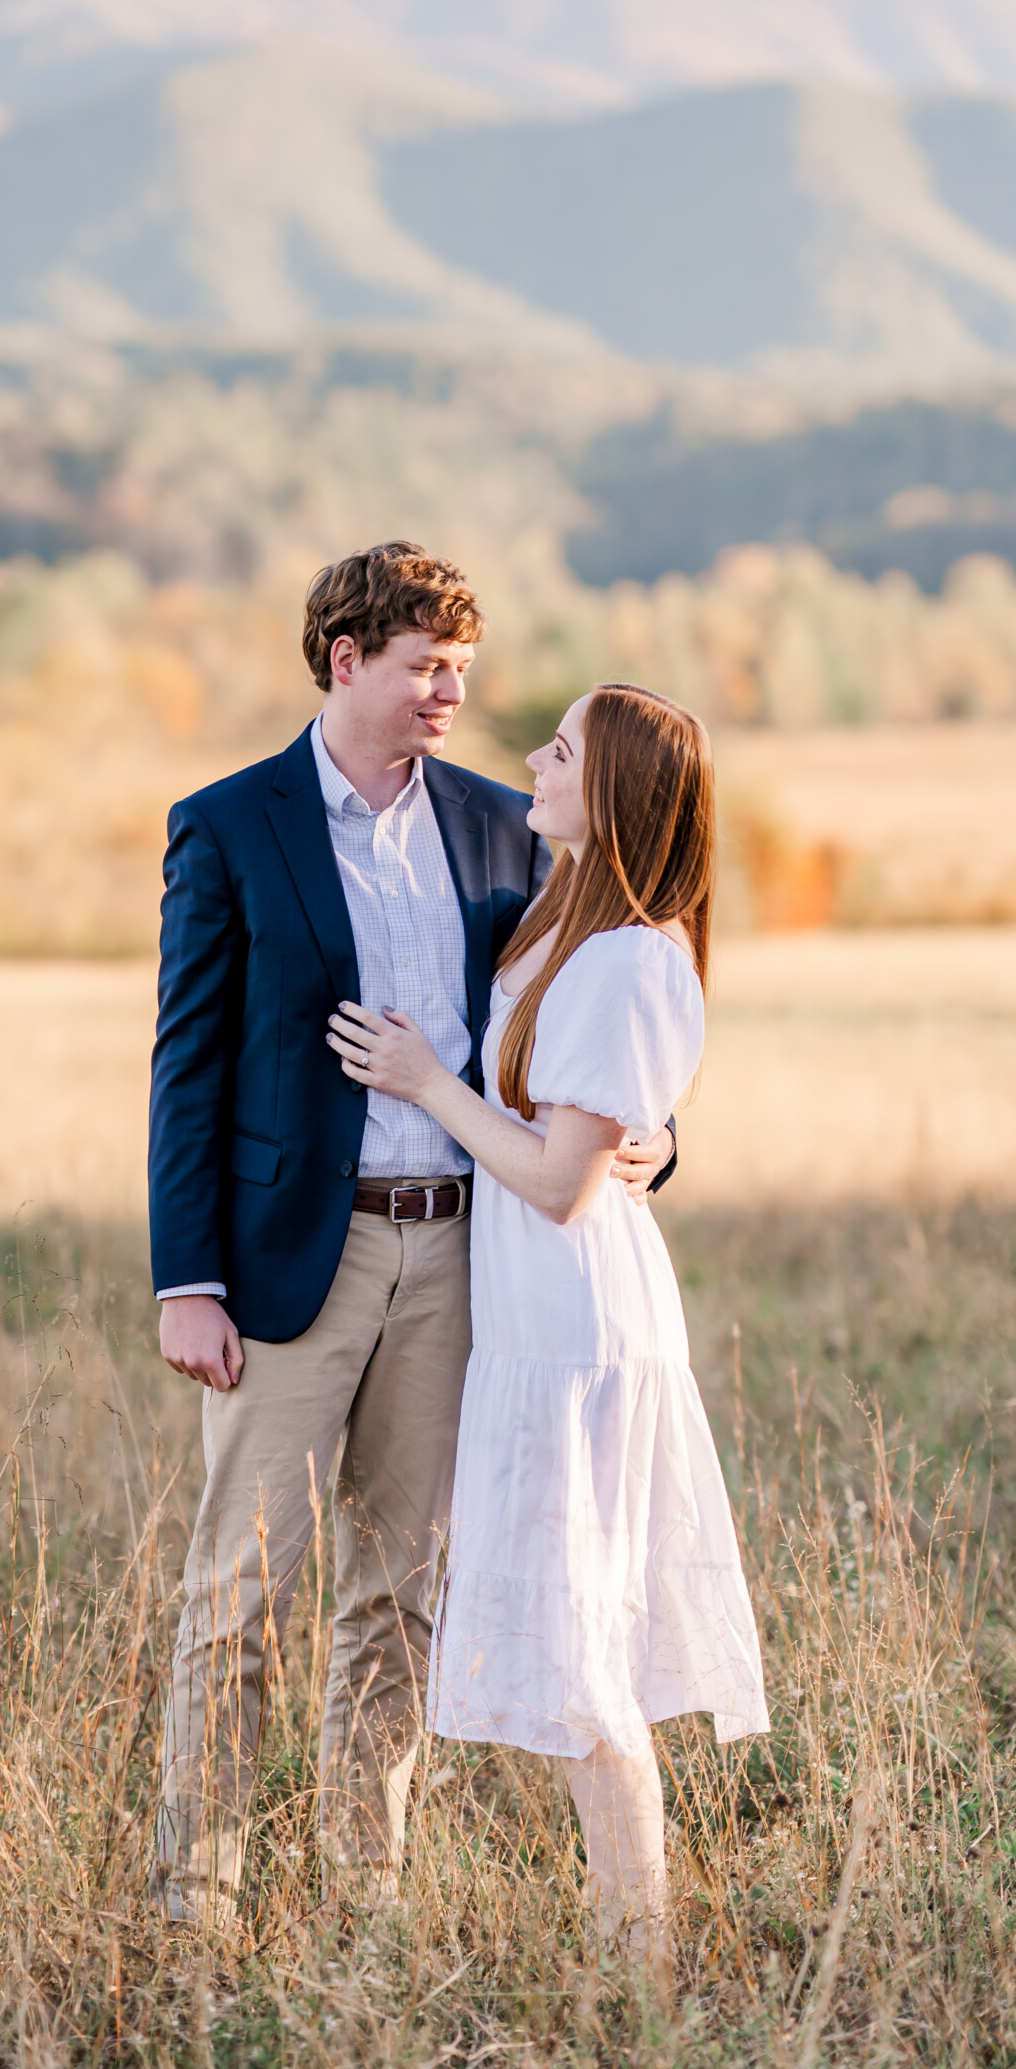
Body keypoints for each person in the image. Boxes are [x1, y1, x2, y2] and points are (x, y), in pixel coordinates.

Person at [148, 545, 679, 1928]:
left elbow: (586, 1014)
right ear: (345, 662)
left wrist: (655, 1142)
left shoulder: (501, 825)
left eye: (461, 669)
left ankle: (363, 1903)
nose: (452, 692)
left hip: (457, 1258)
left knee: (396, 1597)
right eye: (425, 667)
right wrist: (185, 1279)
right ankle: (196, 1908)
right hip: (278, 1275)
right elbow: (184, 1066)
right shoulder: (227, 824)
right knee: (236, 1593)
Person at [328, 682, 769, 1969]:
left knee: (588, 1668)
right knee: (578, 1658)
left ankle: (639, 1962)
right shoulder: (568, 916)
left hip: (577, 1332)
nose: (532, 754)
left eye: (563, 747)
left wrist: (425, 1082)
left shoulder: (633, 951)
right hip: (534, 1320)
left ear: (617, 785)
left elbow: (562, 1180)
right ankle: (629, 1942)